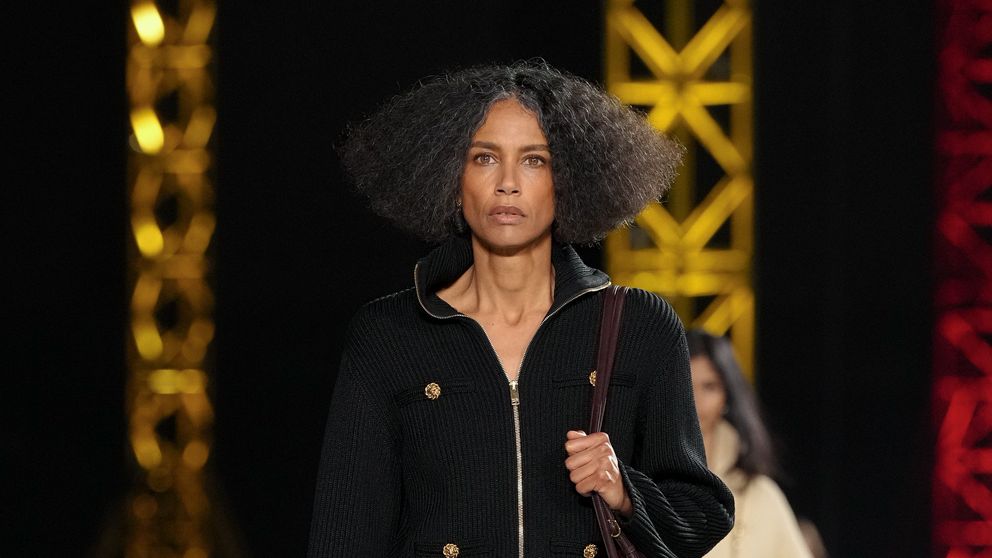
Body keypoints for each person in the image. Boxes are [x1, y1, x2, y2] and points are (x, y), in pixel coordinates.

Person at [307, 60, 734, 558]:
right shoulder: (390, 333)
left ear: (569, 180)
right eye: (484, 158)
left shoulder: (638, 325)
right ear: (451, 177)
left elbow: (701, 515)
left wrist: (623, 490)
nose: (507, 182)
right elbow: (344, 534)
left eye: (535, 160)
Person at [686, 329, 812, 558]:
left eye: (709, 386)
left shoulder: (761, 495)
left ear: (727, 395)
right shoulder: (636, 484)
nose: (695, 400)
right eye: (684, 384)